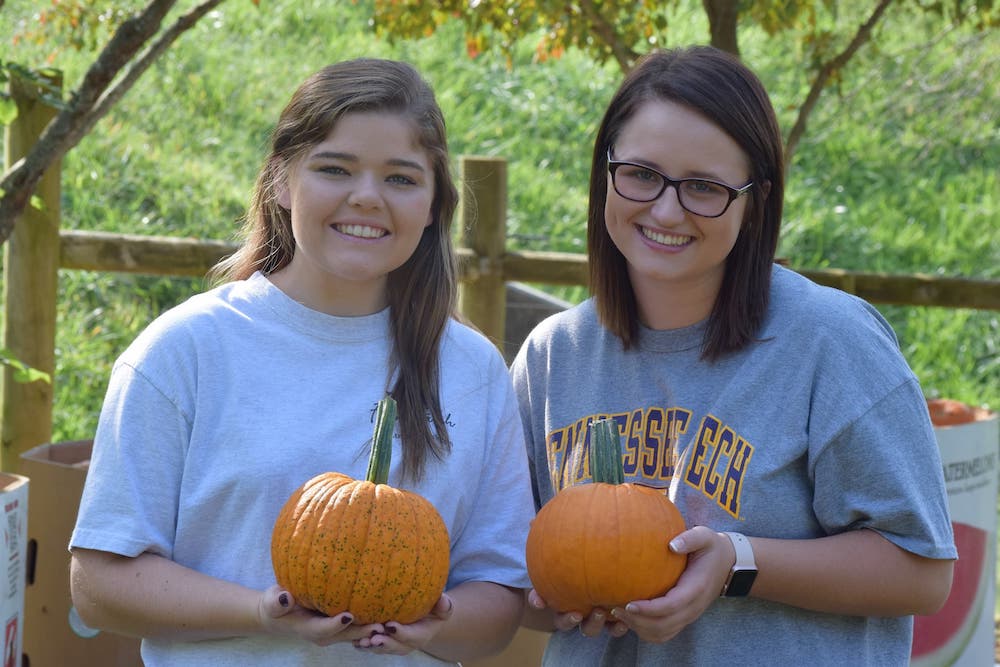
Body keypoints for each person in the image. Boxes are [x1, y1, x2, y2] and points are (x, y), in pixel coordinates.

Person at [69, 57, 535, 666]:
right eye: (335, 169)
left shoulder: (473, 370)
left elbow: (499, 598)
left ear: (431, 205)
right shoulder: (187, 350)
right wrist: (264, 612)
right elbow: (100, 583)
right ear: (282, 184)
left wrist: (437, 623)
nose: (367, 197)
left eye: (400, 178)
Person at [510, 45, 956, 665]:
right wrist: (557, 594)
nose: (666, 210)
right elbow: (519, 578)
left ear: (755, 203)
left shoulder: (831, 343)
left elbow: (922, 571)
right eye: (640, 173)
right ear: (605, 171)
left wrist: (737, 563)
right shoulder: (553, 357)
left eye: (703, 187)